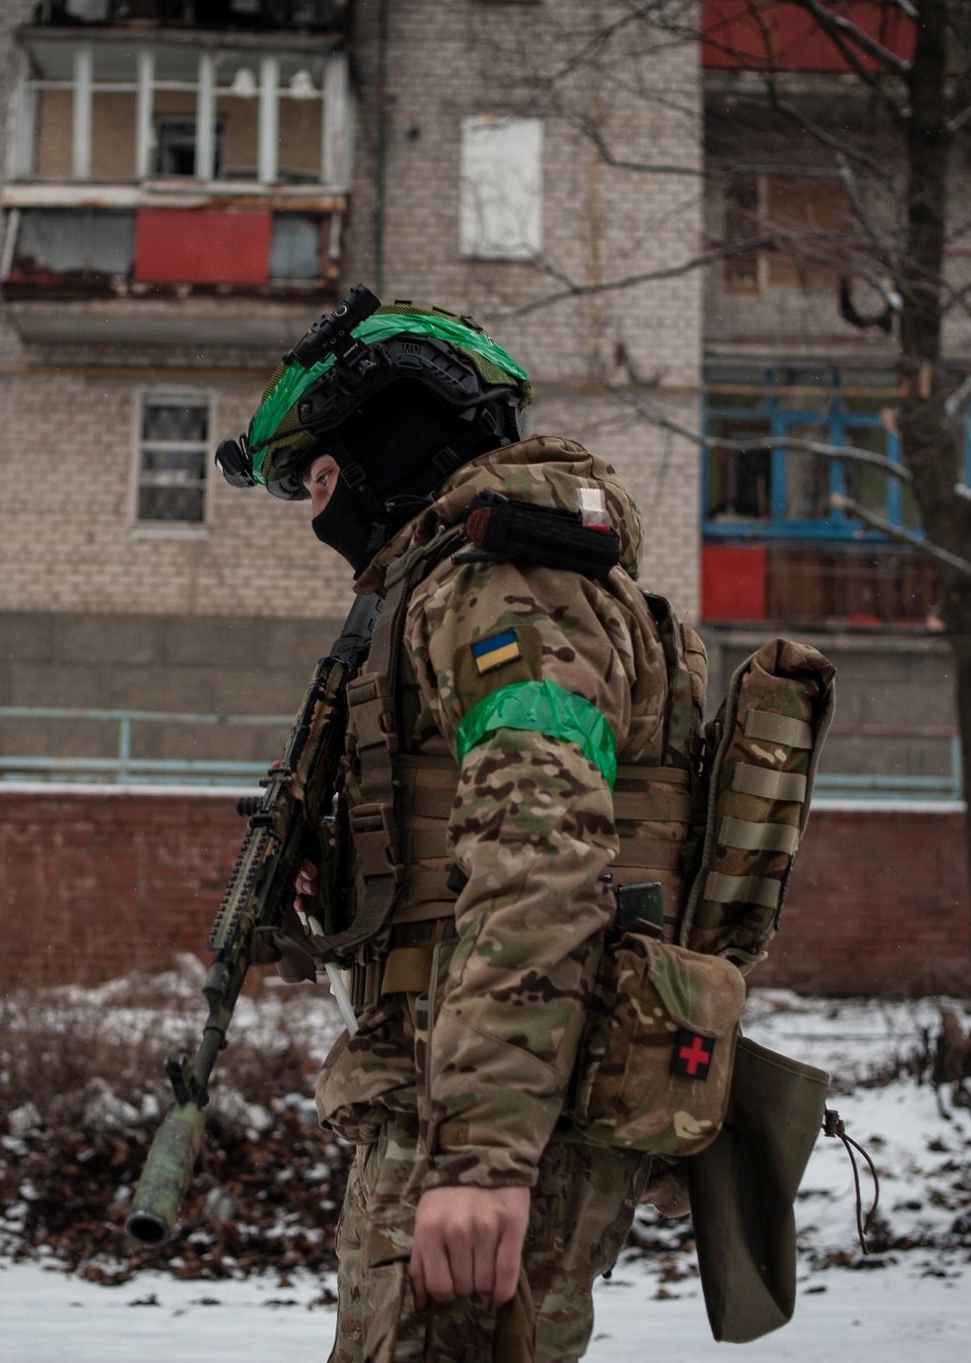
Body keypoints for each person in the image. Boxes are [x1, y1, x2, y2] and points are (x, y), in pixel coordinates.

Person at [215, 294, 707, 1363]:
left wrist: (482, 1160)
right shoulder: (464, 591)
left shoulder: (509, 590)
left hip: (500, 1115)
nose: (314, 514)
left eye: (317, 477)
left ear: (380, 448)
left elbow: (543, 858)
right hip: (464, 1093)